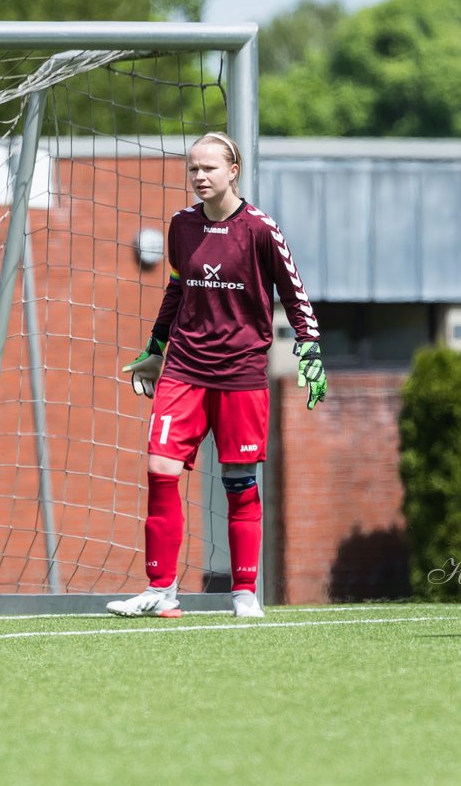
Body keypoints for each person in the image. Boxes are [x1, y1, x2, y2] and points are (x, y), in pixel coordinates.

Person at [105, 131, 326, 619]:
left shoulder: (262, 230)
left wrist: (309, 351)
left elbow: (295, 294)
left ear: (233, 171)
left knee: (238, 482)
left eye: (209, 168)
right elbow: (176, 287)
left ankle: (244, 593)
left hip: (241, 374)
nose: (200, 177)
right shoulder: (181, 226)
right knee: (160, 470)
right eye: (193, 169)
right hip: (184, 368)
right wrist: (156, 347)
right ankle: (160, 591)